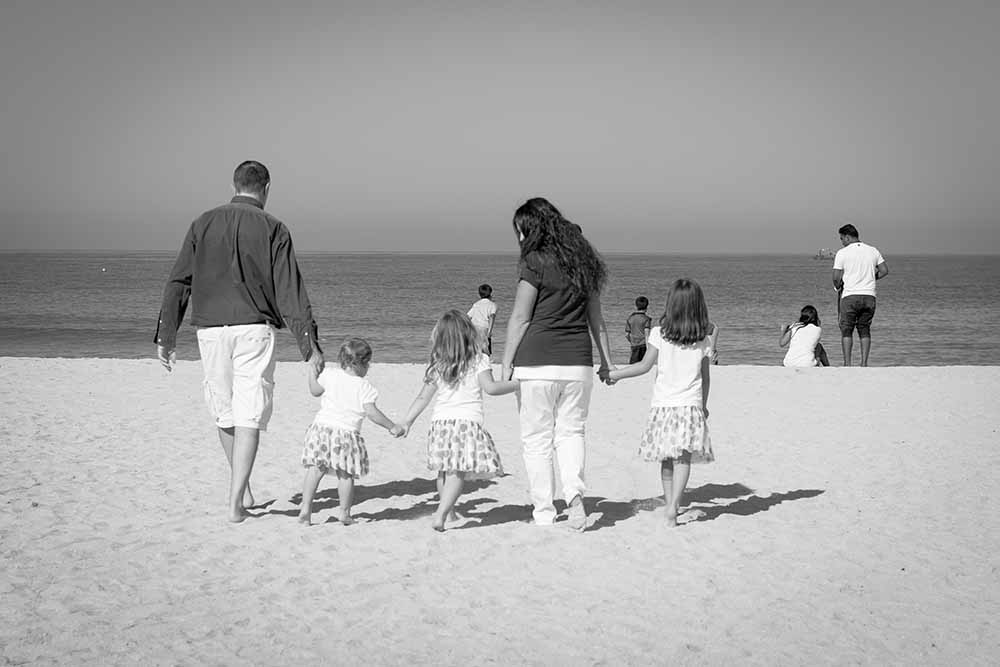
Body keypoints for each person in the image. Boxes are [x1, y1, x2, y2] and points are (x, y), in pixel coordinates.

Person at [154, 160, 323, 523]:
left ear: (234, 185)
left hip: (211, 330)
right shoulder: (273, 227)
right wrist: (309, 346)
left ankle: (240, 488)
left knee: (225, 410)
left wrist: (167, 334)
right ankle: (236, 500)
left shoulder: (202, 223)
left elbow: (179, 281)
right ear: (266, 188)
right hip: (253, 328)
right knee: (249, 414)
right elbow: (290, 290)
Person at [501, 197, 614, 531]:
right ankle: (575, 499)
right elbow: (598, 321)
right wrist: (607, 363)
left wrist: (506, 362)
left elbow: (520, 317)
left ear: (533, 228)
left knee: (536, 440)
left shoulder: (534, 261)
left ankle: (544, 512)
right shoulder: (585, 264)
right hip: (577, 363)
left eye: (521, 231)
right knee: (571, 433)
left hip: (536, 362)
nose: (520, 239)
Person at [608, 278, 714, 527]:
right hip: (690, 406)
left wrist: (615, 374)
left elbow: (644, 366)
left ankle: (669, 504)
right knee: (683, 460)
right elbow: (706, 378)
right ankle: (674, 506)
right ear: (698, 307)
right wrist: (704, 405)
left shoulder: (659, 333)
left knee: (666, 460)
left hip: (663, 406)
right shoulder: (703, 340)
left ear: (671, 304)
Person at [401, 311, 517, 532]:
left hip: (440, 425)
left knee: (444, 471)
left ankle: (449, 511)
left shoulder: (439, 364)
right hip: (466, 424)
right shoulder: (479, 360)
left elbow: (423, 397)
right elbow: (491, 388)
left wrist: (407, 421)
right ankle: (441, 514)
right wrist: (517, 384)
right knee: (458, 471)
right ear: (469, 334)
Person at [298, 338, 404, 526]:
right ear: (359, 364)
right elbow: (372, 413)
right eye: (368, 363)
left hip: (321, 430)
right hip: (346, 435)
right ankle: (344, 513)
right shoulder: (365, 387)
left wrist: (311, 373)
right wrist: (391, 426)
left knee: (315, 470)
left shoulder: (329, 375)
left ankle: (305, 509)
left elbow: (314, 391)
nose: (369, 367)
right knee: (345, 475)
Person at [832, 223, 889, 366]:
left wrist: (838, 285)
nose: (842, 242)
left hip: (850, 295)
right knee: (864, 329)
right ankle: (864, 363)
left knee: (847, 330)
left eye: (841, 239)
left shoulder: (842, 253)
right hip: (869, 296)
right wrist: (871, 278)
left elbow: (836, 276)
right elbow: (884, 270)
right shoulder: (873, 250)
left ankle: (847, 363)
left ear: (847, 237)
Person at [467, 284, 498, 356]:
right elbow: (492, 317)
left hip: (474, 328)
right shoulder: (492, 305)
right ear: (490, 294)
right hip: (484, 328)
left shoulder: (476, 304)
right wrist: (489, 332)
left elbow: (468, 316)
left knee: (475, 350)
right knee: (486, 351)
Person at [625, 296, 652, 363]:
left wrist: (632, 341)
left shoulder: (630, 318)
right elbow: (647, 335)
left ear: (636, 306)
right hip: (643, 345)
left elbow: (627, 334)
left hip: (634, 344)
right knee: (643, 364)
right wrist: (648, 348)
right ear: (646, 307)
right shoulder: (646, 319)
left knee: (633, 364)